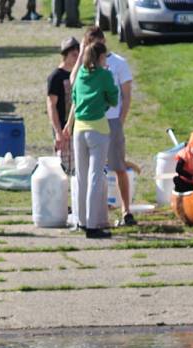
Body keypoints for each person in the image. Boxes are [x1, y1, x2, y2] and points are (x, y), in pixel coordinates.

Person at [71, 27, 135, 226]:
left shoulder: (117, 64)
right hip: (97, 125)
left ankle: (124, 210)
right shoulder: (90, 70)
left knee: (117, 167)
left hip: (106, 123)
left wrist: (120, 121)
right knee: (94, 175)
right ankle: (94, 220)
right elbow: (112, 96)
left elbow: (126, 96)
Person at [63, 40, 118, 239]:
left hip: (79, 130)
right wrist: (103, 102)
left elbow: (75, 101)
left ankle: (82, 221)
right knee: (95, 177)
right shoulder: (104, 75)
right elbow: (114, 97)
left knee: (81, 177)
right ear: (100, 57)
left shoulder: (79, 76)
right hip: (98, 130)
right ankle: (94, 226)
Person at [47, 37, 80, 175]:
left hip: (78, 127)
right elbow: (51, 106)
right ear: (65, 55)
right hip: (63, 129)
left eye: (78, 55)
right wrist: (58, 132)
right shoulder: (56, 77)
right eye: (73, 55)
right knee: (63, 169)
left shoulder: (79, 74)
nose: (76, 58)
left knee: (78, 168)